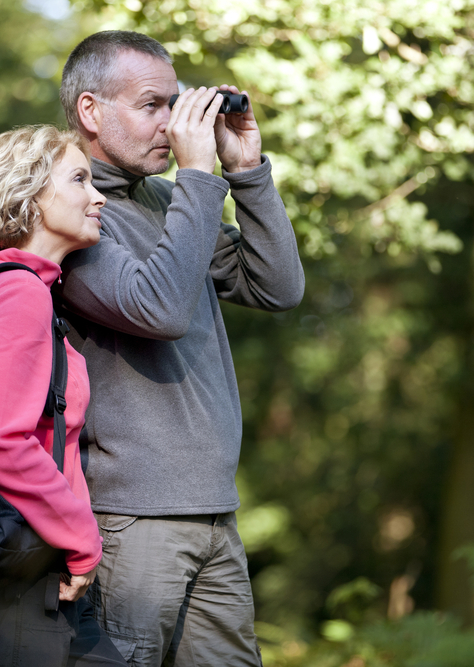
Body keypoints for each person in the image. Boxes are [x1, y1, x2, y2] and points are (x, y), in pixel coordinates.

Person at [57, 31, 305, 666]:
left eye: (176, 103)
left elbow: (277, 286)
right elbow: (157, 309)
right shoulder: (73, 216)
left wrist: (245, 171)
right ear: (91, 111)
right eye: (150, 106)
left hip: (215, 511)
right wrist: (198, 175)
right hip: (131, 520)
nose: (170, 124)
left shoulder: (168, 200)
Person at [0, 125, 127, 667]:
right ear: (29, 194)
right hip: (22, 583)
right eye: (79, 179)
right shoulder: (18, 293)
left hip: (20, 578)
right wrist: (81, 539)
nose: (98, 197)